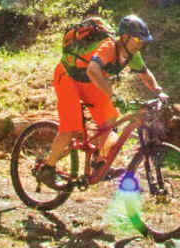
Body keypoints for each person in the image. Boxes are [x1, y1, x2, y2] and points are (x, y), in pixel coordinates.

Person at [36, 14, 166, 186]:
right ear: (124, 37)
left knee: (110, 120)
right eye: (136, 39)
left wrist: (158, 91)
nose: (139, 44)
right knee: (71, 127)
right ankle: (48, 168)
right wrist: (113, 95)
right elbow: (93, 70)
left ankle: (99, 162)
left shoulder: (132, 54)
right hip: (68, 77)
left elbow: (145, 73)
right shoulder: (108, 47)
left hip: (90, 82)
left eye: (142, 41)